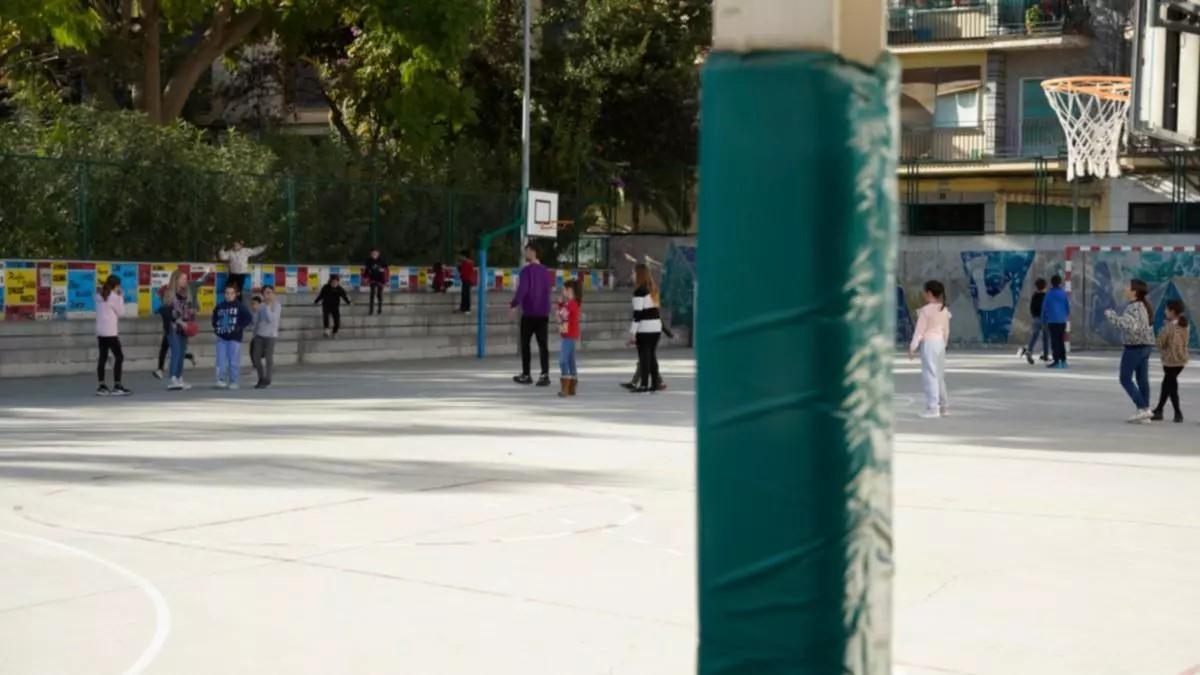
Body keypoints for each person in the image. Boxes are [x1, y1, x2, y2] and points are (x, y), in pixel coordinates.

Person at [1105, 278, 1157, 424]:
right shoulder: (1144, 305)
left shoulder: (1134, 307)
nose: (1125, 289)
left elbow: (1128, 325)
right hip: (1146, 346)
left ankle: (1142, 408)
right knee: (1142, 379)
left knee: (1125, 378)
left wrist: (1112, 316)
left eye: (1128, 287)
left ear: (1134, 291)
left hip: (1135, 347)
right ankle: (1145, 410)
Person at [510, 243, 553, 386]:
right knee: (543, 345)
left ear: (533, 252)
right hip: (543, 313)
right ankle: (544, 374)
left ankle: (526, 374)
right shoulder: (546, 271)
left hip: (529, 313)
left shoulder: (526, 271)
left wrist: (514, 303)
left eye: (527, 251)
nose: (525, 254)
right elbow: (547, 290)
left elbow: (523, 289)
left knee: (525, 344)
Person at [909, 280, 951, 419]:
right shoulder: (944, 310)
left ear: (929, 293)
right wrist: (944, 344)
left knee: (930, 376)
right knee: (939, 376)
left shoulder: (926, 310)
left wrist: (913, 346)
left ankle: (933, 408)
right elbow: (946, 330)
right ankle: (944, 407)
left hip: (929, 344)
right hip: (939, 344)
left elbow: (919, 331)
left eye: (924, 291)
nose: (923, 293)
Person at [628, 263, 664, 393]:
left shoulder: (639, 292)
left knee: (644, 356)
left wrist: (632, 333)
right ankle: (654, 383)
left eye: (633, 273)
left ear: (639, 275)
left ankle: (643, 385)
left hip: (645, 328)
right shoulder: (653, 290)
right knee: (652, 356)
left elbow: (637, 314)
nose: (631, 275)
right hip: (656, 327)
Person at [1152, 299, 1190, 423]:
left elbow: (1159, 343)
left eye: (1167, 309)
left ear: (1172, 311)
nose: (1165, 311)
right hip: (1181, 359)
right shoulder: (1184, 324)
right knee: (1167, 384)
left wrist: (1162, 329)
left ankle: (1177, 413)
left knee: (1171, 386)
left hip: (1170, 361)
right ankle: (1159, 410)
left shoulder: (1168, 327)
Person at [94, 274, 131, 396]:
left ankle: (101, 385)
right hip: (110, 332)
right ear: (116, 285)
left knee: (103, 357)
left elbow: (99, 293)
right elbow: (121, 312)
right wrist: (121, 296)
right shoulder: (114, 297)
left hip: (100, 332)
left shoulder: (99, 295)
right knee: (119, 357)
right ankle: (117, 385)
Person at [212, 284, 254, 389]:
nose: (229, 295)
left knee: (234, 360)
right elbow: (214, 319)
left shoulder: (240, 306)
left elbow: (248, 318)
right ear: (224, 294)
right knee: (220, 360)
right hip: (221, 337)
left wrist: (240, 327)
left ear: (235, 294)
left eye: (231, 293)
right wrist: (217, 328)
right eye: (227, 293)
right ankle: (220, 379)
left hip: (235, 338)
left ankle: (234, 381)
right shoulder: (219, 306)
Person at [161, 269, 196, 391]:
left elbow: (189, 308)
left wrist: (191, 314)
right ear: (176, 280)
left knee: (181, 353)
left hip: (184, 328)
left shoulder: (187, 293)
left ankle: (179, 377)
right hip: (173, 328)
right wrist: (180, 321)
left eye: (186, 279)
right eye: (183, 279)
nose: (185, 281)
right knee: (176, 352)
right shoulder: (169, 294)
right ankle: (172, 378)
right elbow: (168, 313)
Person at [250, 285, 282, 389]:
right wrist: (254, 333)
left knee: (268, 358)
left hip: (271, 335)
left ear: (273, 294)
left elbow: (271, 319)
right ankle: (261, 378)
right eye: (265, 293)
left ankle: (268, 379)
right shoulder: (261, 306)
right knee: (256, 358)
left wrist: (268, 307)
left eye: (269, 293)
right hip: (259, 334)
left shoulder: (277, 306)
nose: (267, 295)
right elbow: (257, 320)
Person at [557, 280, 582, 397]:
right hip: (568, 334)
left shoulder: (572, 303)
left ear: (569, 290)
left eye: (564, 289)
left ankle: (566, 386)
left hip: (568, 335)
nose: (562, 291)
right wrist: (561, 305)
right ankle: (571, 385)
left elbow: (560, 315)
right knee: (571, 360)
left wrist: (559, 305)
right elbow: (562, 314)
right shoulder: (571, 303)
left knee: (563, 360)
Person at [1042, 274, 1071, 369]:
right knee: (1061, 341)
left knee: (1055, 342)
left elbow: (1045, 308)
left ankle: (1056, 360)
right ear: (1060, 283)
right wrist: (1065, 316)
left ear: (1051, 283)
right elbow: (1067, 307)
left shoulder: (1049, 294)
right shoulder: (1063, 293)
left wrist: (1044, 319)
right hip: (1062, 321)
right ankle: (1063, 360)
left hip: (1052, 321)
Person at [1019, 278, 1050, 365]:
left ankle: (1029, 350)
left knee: (1034, 336)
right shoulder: (1046, 296)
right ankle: (1045, 354)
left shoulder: (1034, 295)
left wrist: (1033, 315)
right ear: (1045, 286)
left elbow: (1032, 307)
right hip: (1045, 319)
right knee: (1046, 337)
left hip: (1036, 318)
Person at [363, 249, 388, 316]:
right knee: (372, 294)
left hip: (380, 279)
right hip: (372, 279)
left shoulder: (382, 260)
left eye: (375, 253)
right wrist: (365, 278)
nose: (374, 255)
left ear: (378, 254)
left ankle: (379, 308)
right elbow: (366, 270)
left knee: (379, 294)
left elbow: (386, 270)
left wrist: (386, 280)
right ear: (371, 254)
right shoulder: (368, 260)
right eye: (373, 253)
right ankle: (371, 310)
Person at [457, 249, 477, 313]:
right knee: (464, 294)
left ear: (464, 256)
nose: (459, 257)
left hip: (467, 280)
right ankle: (463, 308)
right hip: (466, 280)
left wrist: (459, 266)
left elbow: (462, 272)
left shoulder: (467, 262)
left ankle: (467, 309)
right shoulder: (467, 262)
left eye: (461, 256)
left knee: (466, 294)